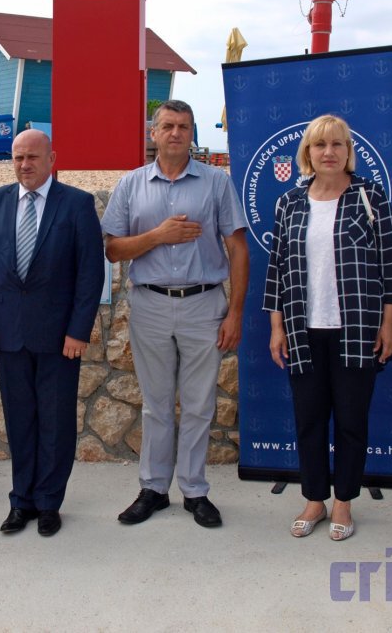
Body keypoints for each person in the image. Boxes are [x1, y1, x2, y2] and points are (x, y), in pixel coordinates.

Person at [101, 100, 248, 528]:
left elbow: (238, 249)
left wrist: (235, 313)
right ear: (153, 133)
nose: (175, 133)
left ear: (192, 133)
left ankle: (195, 491)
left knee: (200, 404)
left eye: (183, 126)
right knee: (157, 404)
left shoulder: (216, 183)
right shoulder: (131, 185)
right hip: (150, 304)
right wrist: (159, 236)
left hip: (204, 304)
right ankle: (153, 488)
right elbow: (113, 249)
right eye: (167, 126)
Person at [263, 114, 392, 541]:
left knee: (350, 421)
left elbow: (391, 265)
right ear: (307, 152)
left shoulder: (370, 197)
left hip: (357, 330)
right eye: (320, 145)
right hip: (303, 330)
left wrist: (389, 324)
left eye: (337, 144)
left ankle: (343, 502)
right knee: (308, 420)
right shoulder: (290, 202)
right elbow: (276, 269)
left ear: (348, 151)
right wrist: (276, 327)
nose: (329, 152)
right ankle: (314, 500)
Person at [0, 129, 105, 537]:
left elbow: (90, 274)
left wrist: (78, 331)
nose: (24, 165)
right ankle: (21, 501)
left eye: (32, 157)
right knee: (20, 421)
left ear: (51, 159)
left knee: (56, 423)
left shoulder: (77, 204)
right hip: (9, 335)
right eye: (18, 157)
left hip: (60, 339)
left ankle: (48, 503)